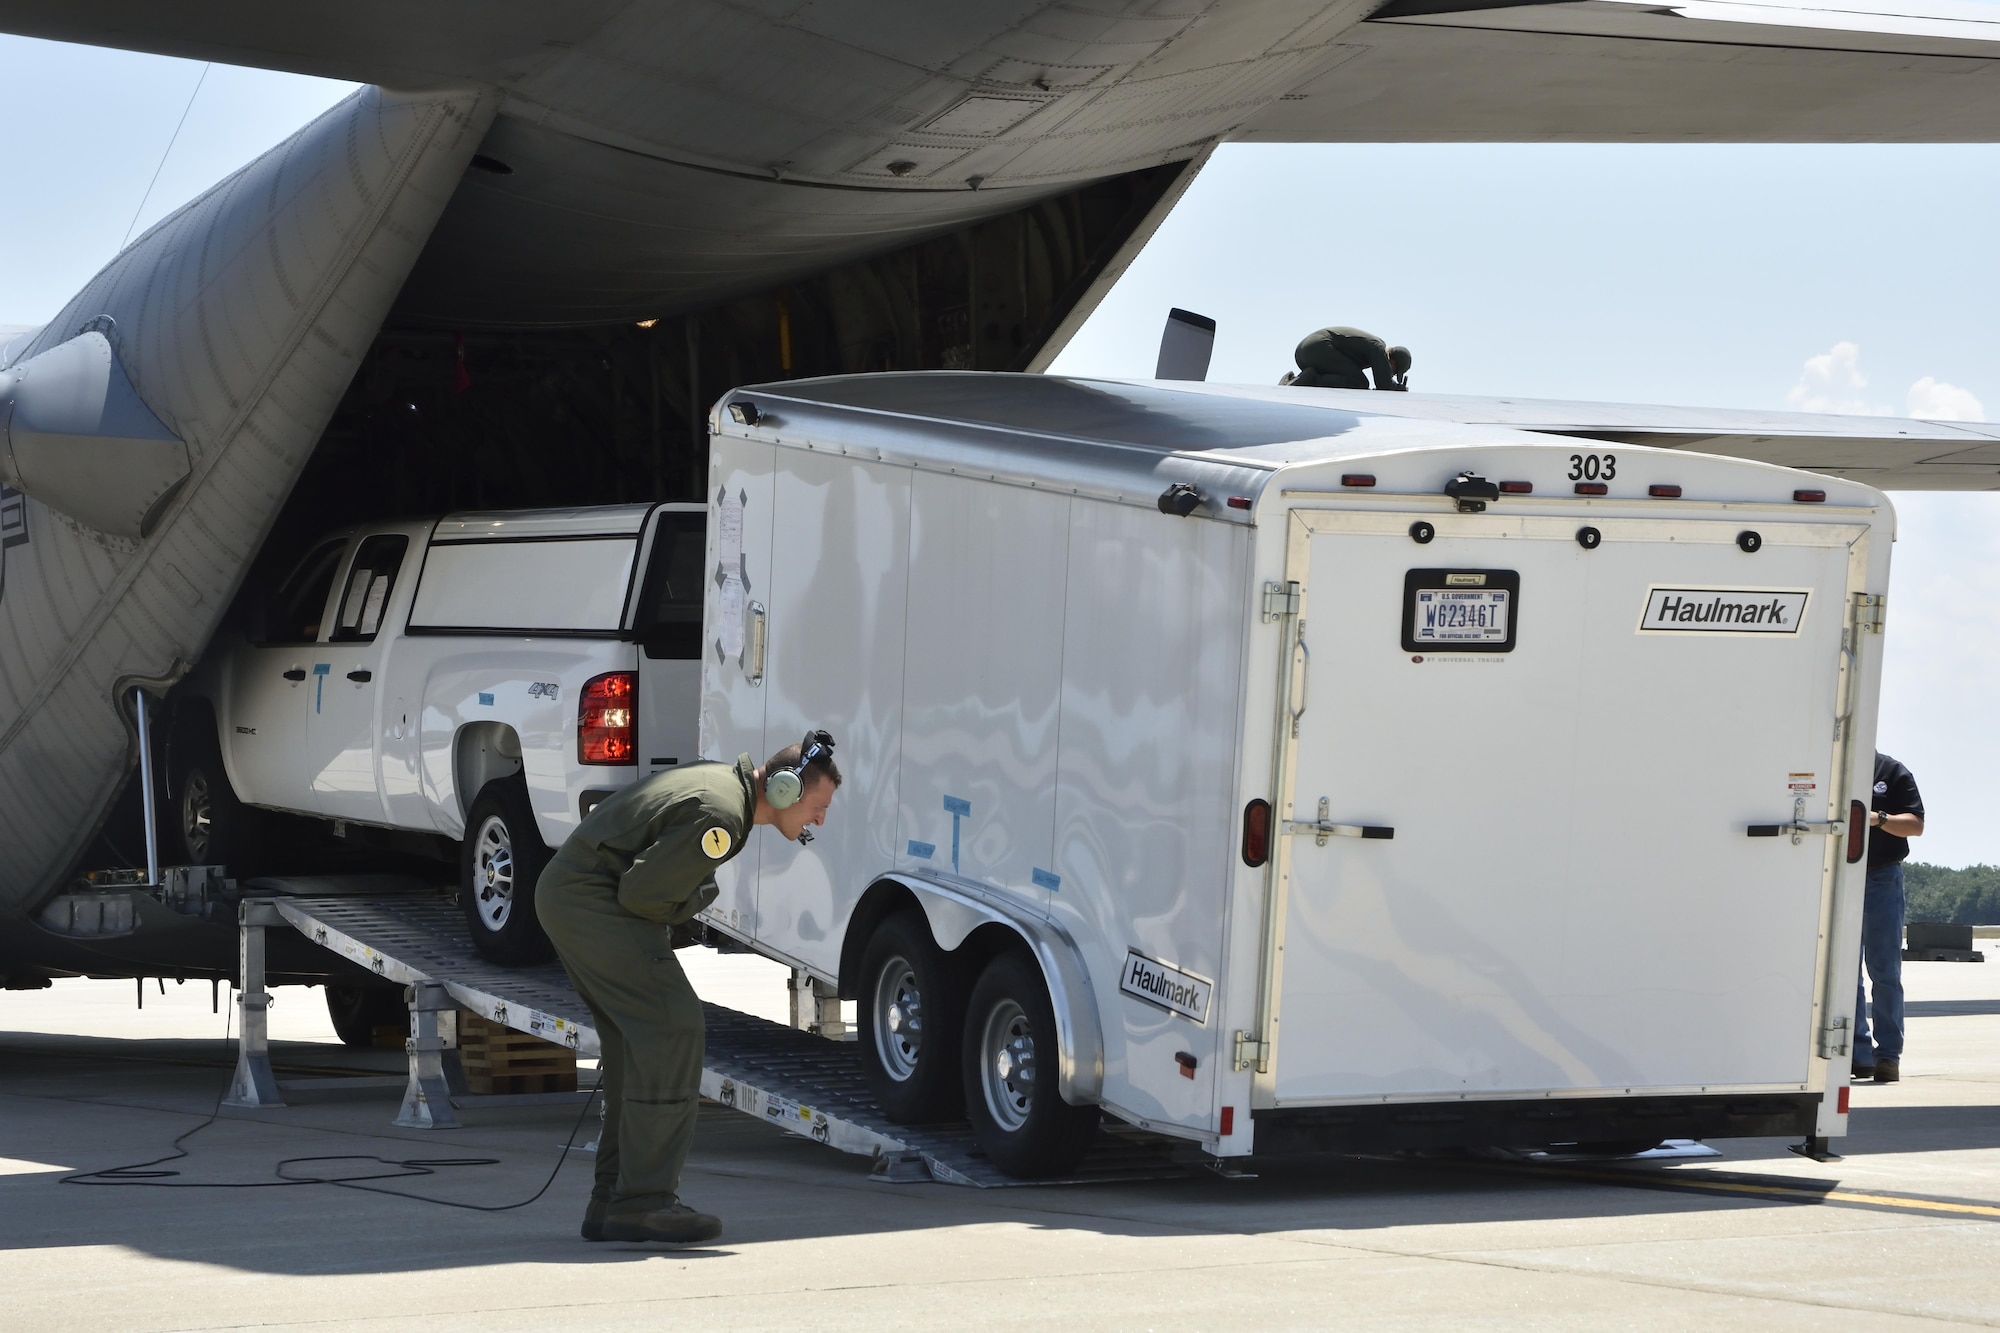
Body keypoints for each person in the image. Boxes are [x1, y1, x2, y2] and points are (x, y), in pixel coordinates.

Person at [536, 731, 841, 1243]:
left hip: (572, 896)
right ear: (787, 789)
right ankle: (645, 1201)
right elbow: (643, 894)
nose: (820, 819)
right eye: (818, 805)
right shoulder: (722, 816)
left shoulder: (723, 786)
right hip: (594, 904)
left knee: (636, 1045)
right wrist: (692, 899)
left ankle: (613, 1200)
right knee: (673, 1030)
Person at [1854, 750, 1925, 1084]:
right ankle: (1857, 1052)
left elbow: (1916, 825)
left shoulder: (1893, 772)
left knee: (1884, 971)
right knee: (1841, 974)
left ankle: (1887, 1057)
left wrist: (1878, 818)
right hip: (1837, 876)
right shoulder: (1832, 767)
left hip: (1881, 877)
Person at [1285, 326, 1412, 391]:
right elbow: (1383, 385)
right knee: (1359, 382)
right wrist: (1395, 388)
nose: (1392, 374)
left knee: (1349, 377)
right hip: (1319, 347)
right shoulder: (1378, 348)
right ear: (1392, 359)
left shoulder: (1372, 348)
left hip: (1305, 352)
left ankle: (1295, 380)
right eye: (1395, 371)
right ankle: (1312, 378)